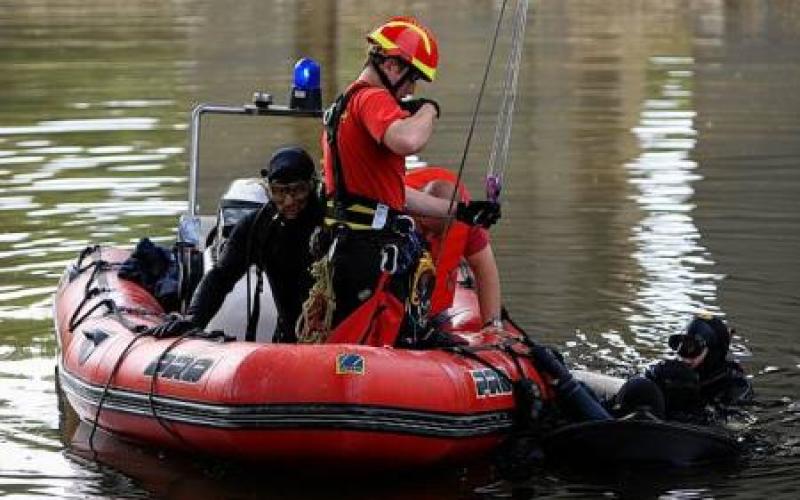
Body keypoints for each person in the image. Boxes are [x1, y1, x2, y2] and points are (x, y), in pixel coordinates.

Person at [306, 16, 501, 346]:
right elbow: (407, 141)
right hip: (370, 257)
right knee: (364, 351)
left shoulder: (345, 107)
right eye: (414, 80)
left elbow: (393, 198)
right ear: (393, 66)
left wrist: (461, 212)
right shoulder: (372, 99)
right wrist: (428, 111)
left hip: (353, 250)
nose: (412, 91)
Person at [149, 146, 324, 343]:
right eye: (280, 192)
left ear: (312, 186)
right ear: (268, 190)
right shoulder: (259, 227)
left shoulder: (332, 224)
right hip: (291, 337)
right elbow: (220, 277)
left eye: (298, 191)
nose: (289, 201)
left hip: (342, 332)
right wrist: (193, 319)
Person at [405, 166, 502, 329]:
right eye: (425, 229)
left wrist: (493, 327)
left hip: (433, 313)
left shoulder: (466, 219)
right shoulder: (390, 205)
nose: (428, 238)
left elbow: (485, 267)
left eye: (437, 234)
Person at [612, 312, 752, 423]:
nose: (682, 355)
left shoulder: (735, 385)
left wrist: (689, 400)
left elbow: (731, 425)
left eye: (691, 348)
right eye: (679, 346)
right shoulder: (673, 374)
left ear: (713, 353)